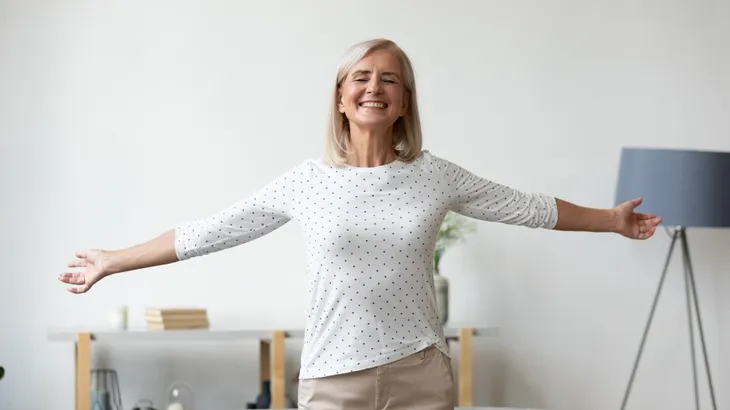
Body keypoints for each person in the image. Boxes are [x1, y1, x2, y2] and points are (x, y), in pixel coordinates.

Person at [59, 38, 662, 410]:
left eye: (389, 78)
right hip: (332, 377)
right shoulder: (306, 181)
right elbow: (211, 230)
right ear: (342, 98)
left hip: (421, 373)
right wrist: (114, 260)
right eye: (362, 77)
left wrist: (610, 220)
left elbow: (527, 207)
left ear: (403, 102)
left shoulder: (435, 174)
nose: (375, 86)